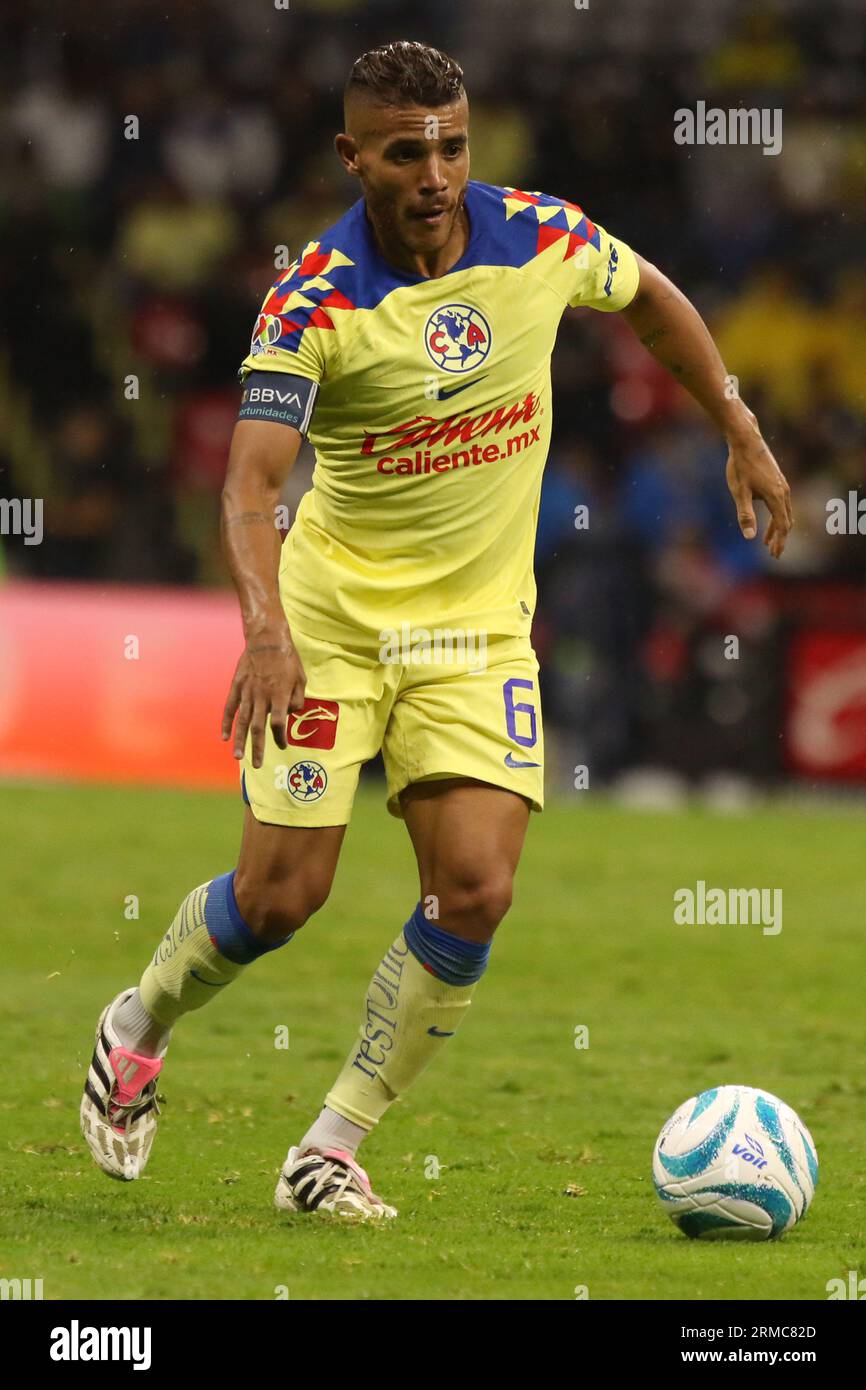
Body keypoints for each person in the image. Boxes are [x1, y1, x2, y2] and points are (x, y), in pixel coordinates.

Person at [80, 40, 793, 1219]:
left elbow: (655, 300)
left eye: (452, 145)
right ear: (352, 155)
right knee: (279, 899)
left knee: (473, 890)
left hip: (475, 630)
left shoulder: (543, 236)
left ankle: (330, 1147)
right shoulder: (315, 296)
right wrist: (264, 628)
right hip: (331, 625)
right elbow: (249, 483)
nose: (434, 172)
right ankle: (134, 1023)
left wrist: (734, 420)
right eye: (405, 151)